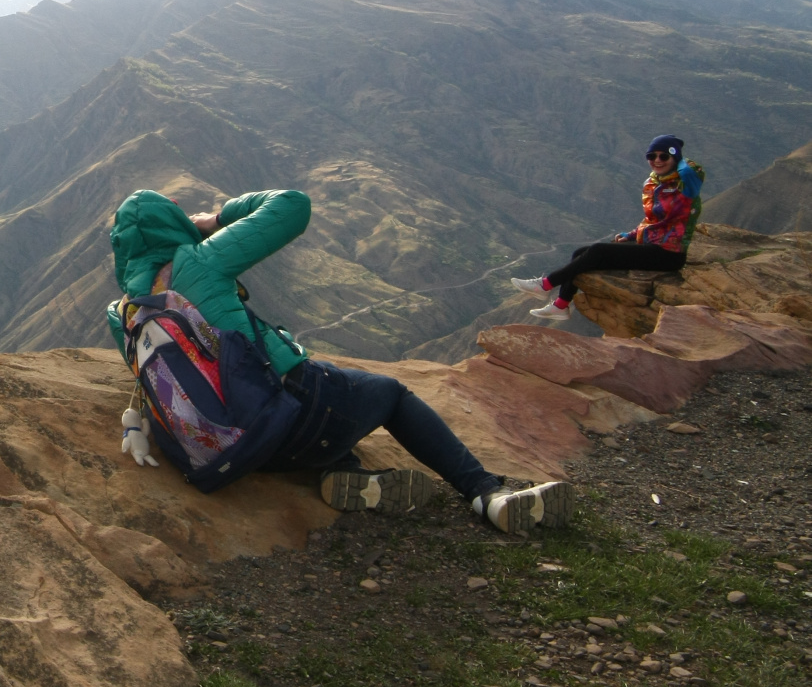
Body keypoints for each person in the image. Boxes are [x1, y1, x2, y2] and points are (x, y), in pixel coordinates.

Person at [106, 187, 571, 535]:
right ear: (173, 224)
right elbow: (293, 206)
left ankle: (345, 472)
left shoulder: (124, 310)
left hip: (231, 451)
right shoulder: (199, 261)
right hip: (290, 414)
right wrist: (215, 218)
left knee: (335, 408)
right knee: (387, 395)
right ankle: (486, 494)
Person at [511, 135, 705, 320]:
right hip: (651, 245)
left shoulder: (686, 185)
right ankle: (561, 305)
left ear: (675, 159)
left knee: (598, 251)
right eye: (652, 156)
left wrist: (678, 156)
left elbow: (690, 170)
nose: (657, 160)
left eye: (664, 156)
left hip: (669, 254)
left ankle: (546, 284)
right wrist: (630, 235)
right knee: (581, 252)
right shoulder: (654, 183)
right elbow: (654, 221)